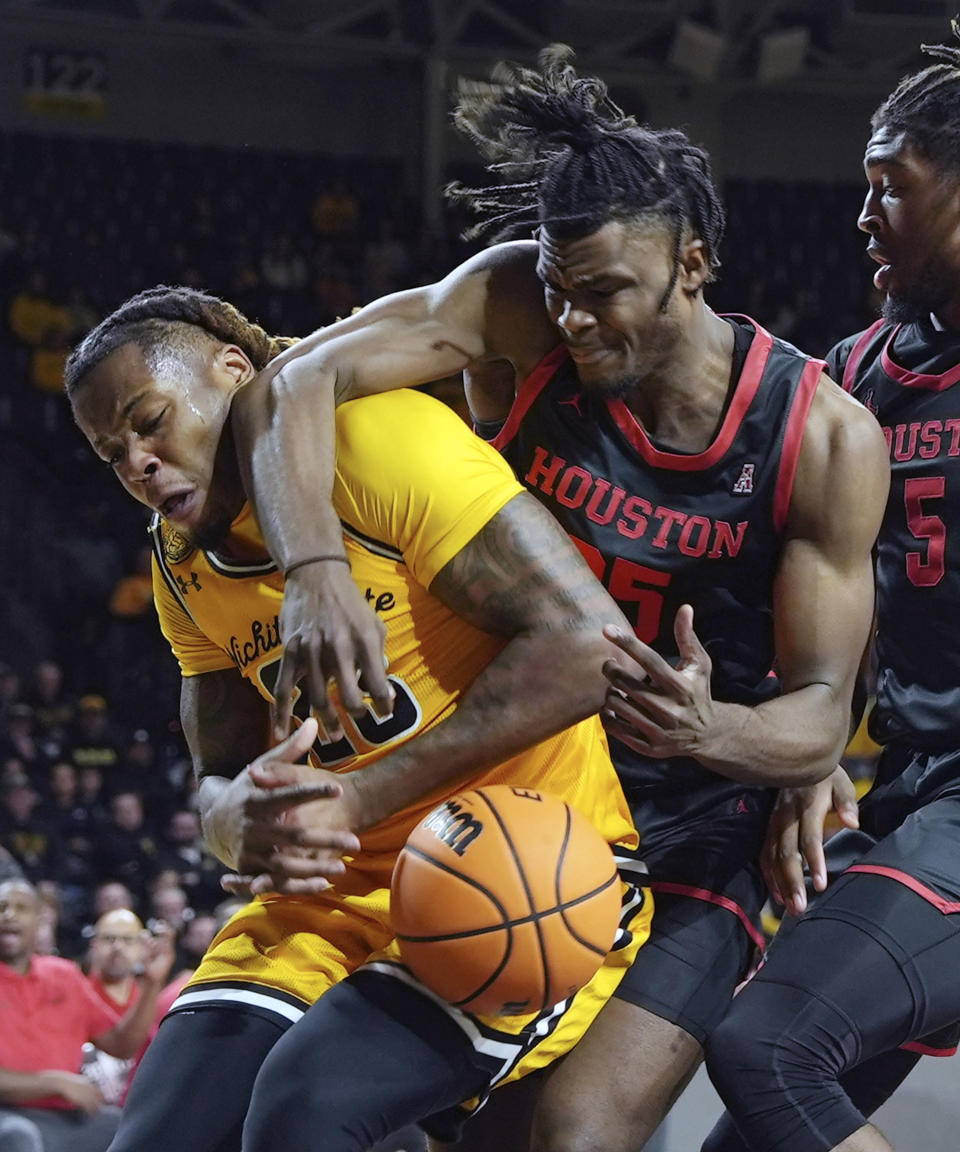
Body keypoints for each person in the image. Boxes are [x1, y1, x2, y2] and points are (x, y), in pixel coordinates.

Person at [227, 46, 888, 1152]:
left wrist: (714, 727)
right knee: (419, 1119)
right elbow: (296, 379)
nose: (574, 322)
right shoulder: (514, 313)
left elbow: (821, 710)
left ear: (693, 262)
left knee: (572, 1135)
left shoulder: (822, 436)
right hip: (518, 789)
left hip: (686, 828)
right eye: (558, 291)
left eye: (603, 294)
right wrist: (314, 571)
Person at [63, 285, 651, 1152]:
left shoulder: (374, 439)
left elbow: (589, 646)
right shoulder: (181, 563)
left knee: (308, 1108)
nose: (139, 463)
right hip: (331, 894)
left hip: (526, 862)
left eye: (151, 421)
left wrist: (359, 800)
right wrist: (224, 819)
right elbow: (218, 769)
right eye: (113, 454)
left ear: (235, 371)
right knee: (161, 1133)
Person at [695, 26, 960, 1152]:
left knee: (767, 1050)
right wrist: (808, 759)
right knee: (758, 1123)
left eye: (888, 188)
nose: (862, 217)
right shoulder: (853, 378)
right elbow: (827, 620)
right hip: (913, 790)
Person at [0, 877, 173, 1152]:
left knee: (133, 1129)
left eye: (21, 908)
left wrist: (152, 985)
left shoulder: (64, 975)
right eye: (2, 907)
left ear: (40, 920)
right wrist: (53, 1082)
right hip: (8, 1115)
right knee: (19, 1137)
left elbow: (122, 1045)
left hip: (64, 1117)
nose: (9, 915)